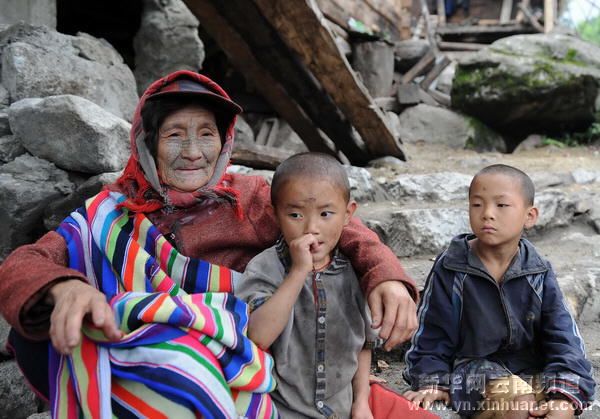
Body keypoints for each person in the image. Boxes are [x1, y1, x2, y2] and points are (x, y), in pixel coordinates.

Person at [0, 70, 418, 416]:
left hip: (263, 370)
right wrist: (66, 286)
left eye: (206, 134)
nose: (194, 152)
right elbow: (26, 263)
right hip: (156, 364)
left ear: (225, 141)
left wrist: (385, 275)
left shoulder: (253, 198)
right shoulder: (108, 214)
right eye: (175, 135)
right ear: (147, 143)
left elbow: (333, 221)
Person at [403, 164, 595, 418]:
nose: (487, 214)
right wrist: (433, 381)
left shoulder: (537, 271)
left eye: (501, 205)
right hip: (473, 373)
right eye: (477, 205)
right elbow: (432, 333)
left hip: (531, 371)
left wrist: (565, 394)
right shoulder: (453, 267)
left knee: (559, 408)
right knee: (518, 402)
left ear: (530, 216)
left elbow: (563, 337)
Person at [237, 152, 376, 418]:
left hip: (343, 410)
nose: (311, 228)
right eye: (295, 215)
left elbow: (363, 345)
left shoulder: (353, 273)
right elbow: (258, 336)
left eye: (326, 213)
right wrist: (299, 270)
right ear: (275, 215)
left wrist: (362, 403)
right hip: (281, 410)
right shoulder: (265, 268)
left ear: (348, 214)